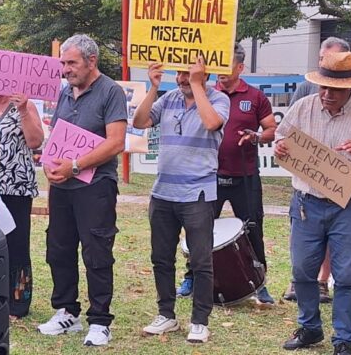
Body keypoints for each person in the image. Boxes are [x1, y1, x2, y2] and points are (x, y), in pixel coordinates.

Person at [274, 51, 351, 355]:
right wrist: (281, 148)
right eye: (323, 87)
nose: (327, 94)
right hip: (307, 202)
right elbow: (280, 138)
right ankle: (310, 328)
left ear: (350, 89)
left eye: (335, 89)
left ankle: (343, 340)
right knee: (302, 270)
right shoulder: (303, 107)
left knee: (347, 275)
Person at [37, 34, 127, 347]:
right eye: (63, 63)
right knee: (58, 248)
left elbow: (116, 142)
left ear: (92, 61)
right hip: (62, 186)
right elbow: (56, 135)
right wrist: (50, 163)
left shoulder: (110, 91)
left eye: (71, 62)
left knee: (96, 251)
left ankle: (100, 321)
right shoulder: (65, 92)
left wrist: (75, 165)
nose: (65, 69)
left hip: (97, 185)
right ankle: (67, 311)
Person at [132, 58, 229, 344]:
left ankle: (200, 321)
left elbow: (212, 123)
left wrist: (198, 85)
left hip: (197, 194)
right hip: (163, 193)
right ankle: (166, 314)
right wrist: (153, 87)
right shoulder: (170, 98)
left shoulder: (219, 99)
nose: (182, 78)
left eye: (189, 73)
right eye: (180, 73)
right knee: (161, 258)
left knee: (200, 260)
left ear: (204, 72)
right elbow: (139, 122)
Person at [177, 42, 278, 305]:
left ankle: (259, 283)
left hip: (245, 176)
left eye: (227, 63)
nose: (221, 70)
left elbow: (270, 130)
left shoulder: (256, 97)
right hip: (209, 176)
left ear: (240, 67)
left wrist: (256, 136)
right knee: (199, 229)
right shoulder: (206, 94)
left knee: (253, 228)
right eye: (217, 63)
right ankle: (191, 277)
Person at [285, 36, 351, 303]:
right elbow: (287, 134)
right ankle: (306, 307)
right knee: (303, 257)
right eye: (324, 60)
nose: (327, 93)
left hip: (346, 194)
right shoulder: (304, 92)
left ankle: (325, 282)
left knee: (345, 269)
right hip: (308, 191)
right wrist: (283, 147)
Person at [0, 90, 44, 320]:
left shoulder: (24, 105)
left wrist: (23, 109)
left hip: (17, 185)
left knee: (17, 244)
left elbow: (36, 141)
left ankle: (18, 302)